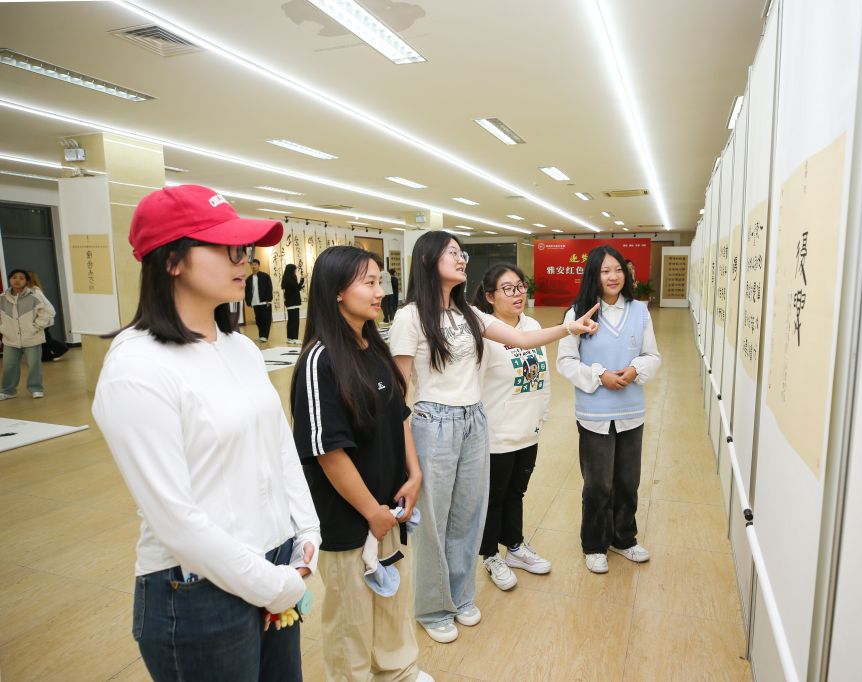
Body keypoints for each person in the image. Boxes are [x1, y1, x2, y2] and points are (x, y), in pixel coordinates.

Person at [91, 185, 322, 680]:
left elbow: (279, 446)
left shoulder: (240, 348)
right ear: (172, 261)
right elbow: (176, 520)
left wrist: (306, 531)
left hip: (277, 562)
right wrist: (273, 584)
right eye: (225, 248)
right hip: (197, 590)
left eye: (244, 249)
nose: (244, 261)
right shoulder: (137, 368)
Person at [389, 230, 598, 643]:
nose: (462, 259)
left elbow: (522, 338)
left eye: (462, 253)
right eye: (452, 253)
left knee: (468, 516)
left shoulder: (470, 314)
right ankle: (432, 608)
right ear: (428, 260)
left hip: (474, 420)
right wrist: (407, 459)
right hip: (434, 421)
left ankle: (460, 596)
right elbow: (397, 395)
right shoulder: (409, 317)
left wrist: (569, 328)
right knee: (434, 524)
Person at [291, 246, 431, 682]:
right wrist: (371, 512)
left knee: (392, 598)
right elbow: (328, 451)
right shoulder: (320, 360)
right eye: (368, 283)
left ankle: (398, 669)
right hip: (349, 515)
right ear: (336, 291)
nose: (379, 291)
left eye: (379, 281)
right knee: (350, 616)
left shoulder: (375, 346)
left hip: (389, 506)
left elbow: (400, 414)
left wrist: (414, 475)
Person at [556, 245, 661, 575]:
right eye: (605, 271)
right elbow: (565, 361)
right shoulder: (578, 313)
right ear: (594, 275)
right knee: (598, 484)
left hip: (631, 410)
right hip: (594, 413)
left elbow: (652, 355)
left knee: (628, 481)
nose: (613, 276)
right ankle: (594, 544)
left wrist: (635, 369)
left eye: (618, 269)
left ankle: (624, 538)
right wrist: (599, 375)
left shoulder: (639, 311)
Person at [471, 264, 553, 591]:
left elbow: (543, 377)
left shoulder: (532, 325)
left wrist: (541, 417)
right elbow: (475, 387)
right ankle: (490, 554)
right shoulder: (484, 332)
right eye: (508, 288)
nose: (518, 294)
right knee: (494, 497)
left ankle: (515, 546)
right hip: (496, 435)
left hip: (528, 430)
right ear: (490, 296)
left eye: (521, 286)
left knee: (517, 491)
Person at [1, 268, 55, 399]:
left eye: (21, 278)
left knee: (34, 365)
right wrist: (3, 328)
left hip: (32, 338)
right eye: (14, 277)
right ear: (10, 280)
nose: (17, 280)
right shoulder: (2, 298)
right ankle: (8, 391)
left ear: (26, 281)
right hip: (10, 339)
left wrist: (36, 327)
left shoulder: (35, 296)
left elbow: (47, 313)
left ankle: (36, 388)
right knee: (9, 366)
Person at [26, 270, 68, 362]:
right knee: (42, 339)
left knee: (45, 339)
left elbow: (47, 309)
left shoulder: (35, 292)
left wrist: (41, 321)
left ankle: (61, 348)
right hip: (41, 319)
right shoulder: (31, 291)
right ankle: (46, 356)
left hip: (43, 320)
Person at [245, 258, 274, 342]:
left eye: (255, 264)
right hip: (255, 302)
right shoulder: (249, 279)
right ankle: (261, 335)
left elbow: (269, 288)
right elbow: (247, 291)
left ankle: (265, 336)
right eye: (252, 265)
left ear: (259, 266)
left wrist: (268, 299)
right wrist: (248, 302)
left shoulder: (265, 276)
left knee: (266, 319)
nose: (253, 266)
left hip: (264, 301)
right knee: (258, 320)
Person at [281, 263, 304, 345]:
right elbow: (297, 287)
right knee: (294, 321)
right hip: (292, 302)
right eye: (294, 270)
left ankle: (290, 338)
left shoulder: (287, 278)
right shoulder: (290, 279)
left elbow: (296, 288)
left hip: (290, 302)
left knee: (291, 320)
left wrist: (301, 283)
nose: (295, 271)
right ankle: (293, 338)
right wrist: (302, 280)